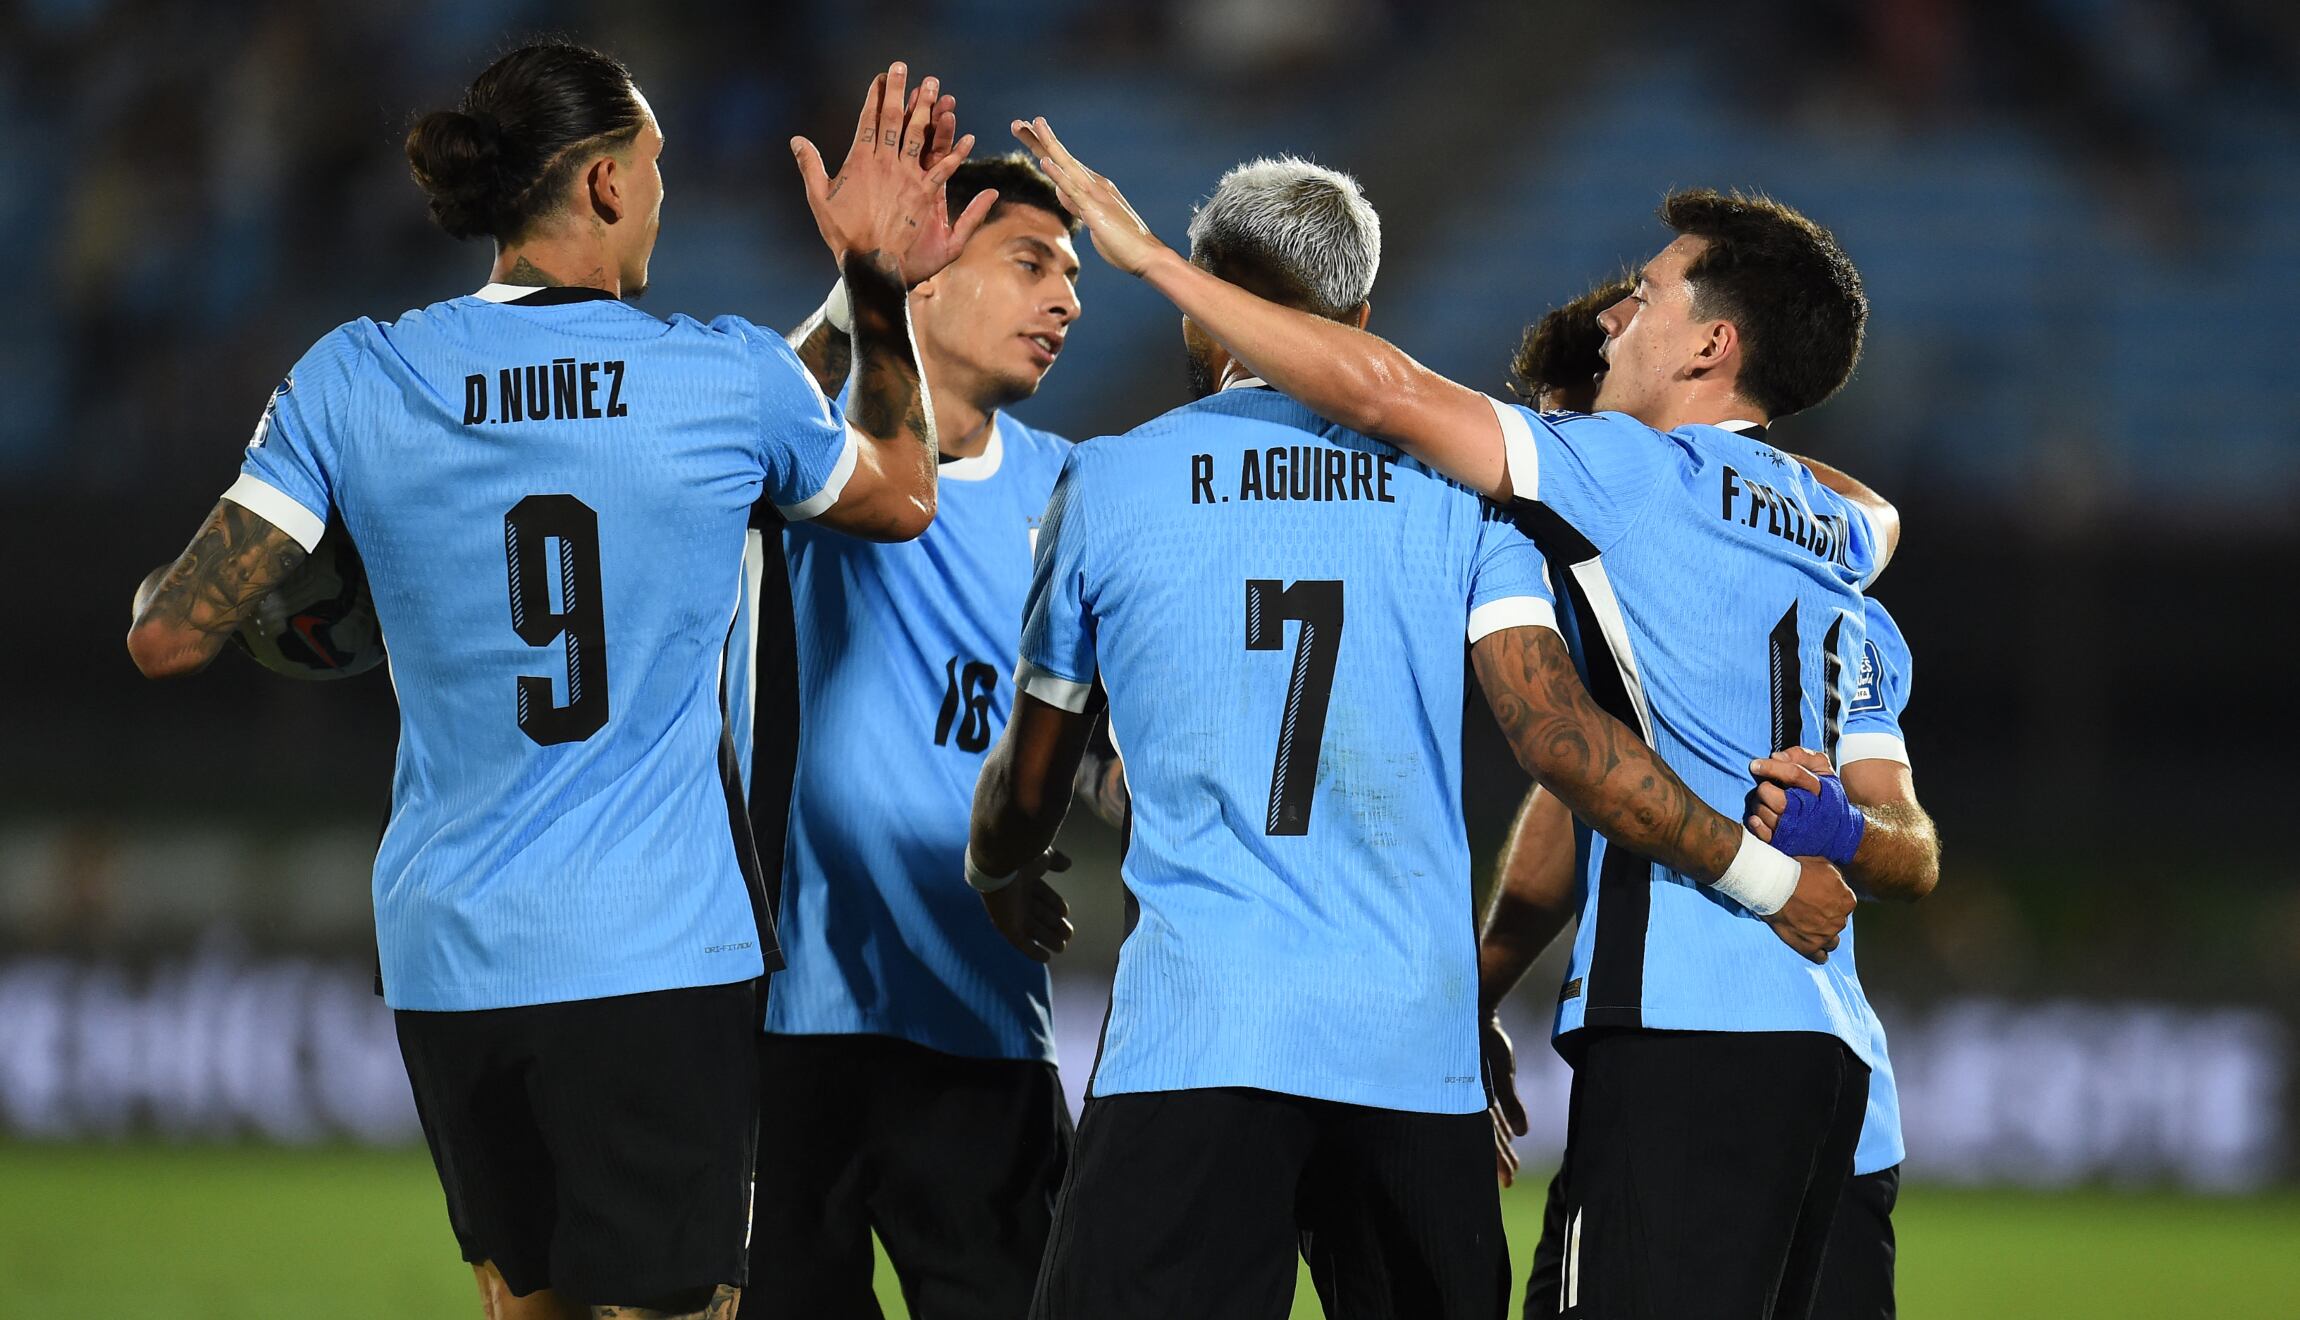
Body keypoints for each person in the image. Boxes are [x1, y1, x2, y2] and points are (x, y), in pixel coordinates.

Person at [126, 45, 989, 1319]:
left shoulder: (357, 376)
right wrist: (875, 289)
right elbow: (902, 490)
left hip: (450, 953)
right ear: (597, 183)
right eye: (651, 170)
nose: (659, 196)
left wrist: (309, 615)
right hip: (653, 947)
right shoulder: (716, 376)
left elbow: (168, 634)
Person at [1017, 116, 1919, 1319]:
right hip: (1511, 1052)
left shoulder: (1113, 478)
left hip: (1240, 1030)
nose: (1614, 317)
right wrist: (1477, 991)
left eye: (1639, 299)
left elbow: (1036, 783)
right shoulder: (1807, 534)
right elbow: (1573, 744)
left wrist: (1150, 260)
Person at [1487, 290, 1943, 1320]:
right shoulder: (1837, 596)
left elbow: (1906, 850)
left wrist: (1827, 836)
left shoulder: (1620, 538)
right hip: (1838, 1092)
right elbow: (1584, 791)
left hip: (1685, 1041)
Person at [722, 153, 1084, 1320]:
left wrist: (1020, 848)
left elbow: (1114, 734)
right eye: (1029, 264)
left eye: (1075, 276)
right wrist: (859, 283)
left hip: (984, 1023)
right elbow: (732, 411)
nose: (1066, 300)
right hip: (790, 1017)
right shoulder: (817, 454)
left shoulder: (1080, 494)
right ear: (927, 284)